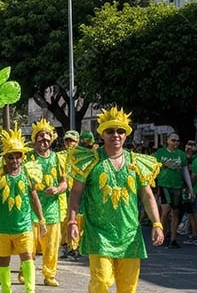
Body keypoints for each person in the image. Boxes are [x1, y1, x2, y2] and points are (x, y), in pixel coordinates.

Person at [67, 107, 163, 293]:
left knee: (128, 287)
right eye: (110, 131)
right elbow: (76, 193)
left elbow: (147, 195)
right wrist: (72, 221)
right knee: (101, 281)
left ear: (126, 135)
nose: (115, 135)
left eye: (120, 131)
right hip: (99, 233)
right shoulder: (90, 160)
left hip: (129, 234)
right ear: (102, 133)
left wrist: (157, 223)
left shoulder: (136, 162)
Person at [0, 128, 45, 293]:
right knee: (4, 261)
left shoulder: (28, 174)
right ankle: (6, 291)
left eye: (18, 156)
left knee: (28, 257)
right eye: (10, 157)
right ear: (5, 158)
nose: (14, 160)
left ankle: (30, 290)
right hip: (2, 227)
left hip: (23, 226)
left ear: (22, 157)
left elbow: (34, 199)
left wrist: (41, 220)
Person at [26, 119, 66, 286]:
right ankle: (25, 271)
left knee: (51, 247)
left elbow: (65, 182)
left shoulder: (57, 158)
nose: (45, 139)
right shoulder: (28, 157)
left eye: (48, 136)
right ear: (35, 139)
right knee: (29, 245)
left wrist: (57, 189)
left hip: (52, 210)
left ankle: (49, 275)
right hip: (30, 210)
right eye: (41, 136)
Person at [154, 132, 193, 248]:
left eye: (177, 141)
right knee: (165, 211)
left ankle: (173, 238)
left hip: (177, 185)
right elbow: (153, 168)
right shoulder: (160, 153)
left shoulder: (181, 154)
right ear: (168, 140)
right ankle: (162, 235)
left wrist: (190, 188)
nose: (175, 143)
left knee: (175, 211)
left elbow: (185, 171)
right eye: (173, 140)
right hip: (164, 184)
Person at [58, 130, 81, 261]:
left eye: (72, 140)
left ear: (77, 141)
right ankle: (67, 246)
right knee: (64, 219)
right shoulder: (60, 156)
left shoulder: (83, 156)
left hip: (78, 192)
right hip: (64, 192)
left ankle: (75, 247)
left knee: (77, 219)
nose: (69, 143)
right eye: (67, 140)